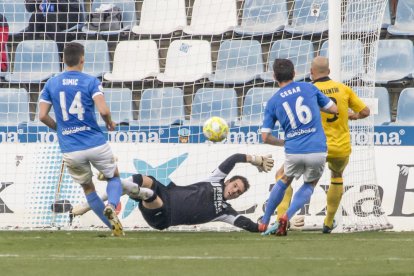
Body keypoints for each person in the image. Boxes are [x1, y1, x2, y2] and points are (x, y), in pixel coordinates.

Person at [271, 56, 370, 234]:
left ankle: (281, 219)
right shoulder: (344, 89)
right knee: (337, 176)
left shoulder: (307, 89)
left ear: (311, 73)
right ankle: (328, 222)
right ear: (329, 71)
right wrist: (353, 116)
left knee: (283, 176)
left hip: (314, 146)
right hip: (340, 147)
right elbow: (365, 111)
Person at [38, 42, 124, 236]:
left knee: (88, 188)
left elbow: (42, 116)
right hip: (95, 142)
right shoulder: (90, 81)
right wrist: (109, 122)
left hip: (70, 147)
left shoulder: (51, 83)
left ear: (63, 60)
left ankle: (114, 228)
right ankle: (111, 204)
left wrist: (60, 129)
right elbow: (103, 110)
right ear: (82, 59)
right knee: (113, 177)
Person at [70, 153, 274, 232]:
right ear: (228, 181)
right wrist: (256, 160)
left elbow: (249, 225)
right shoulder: (216, 180)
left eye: (238, 192)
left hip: (163, 215)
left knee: (148, 195)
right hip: (168, 191)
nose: (234, 191)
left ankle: (114, 182)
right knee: (143, 179)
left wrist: (273, 226)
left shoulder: (225, 211)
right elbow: (234, 158)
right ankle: (91, 204)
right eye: (235, 186)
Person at [258, 58, 338, 236]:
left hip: (293, 150)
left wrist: (283, 142)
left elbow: (265, 137)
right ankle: (286, 216)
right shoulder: (309, 88)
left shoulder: (273, 101)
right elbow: (333, 109)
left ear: (274, 76)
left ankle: (264, 220)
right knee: (309, 184)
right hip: (317, 148)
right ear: (294, 74)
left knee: (285, 180)